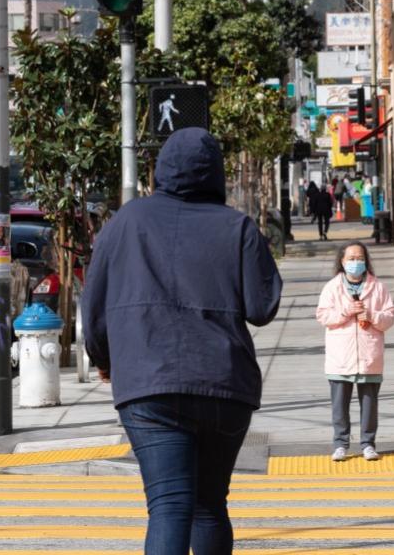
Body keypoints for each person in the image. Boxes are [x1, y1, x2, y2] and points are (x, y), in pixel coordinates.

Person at [81, 128, 283, 555]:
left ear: (161, 169)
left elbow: (94, 306)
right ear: (217, 173)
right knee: (209, 506)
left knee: (169, 507)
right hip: (224, 384)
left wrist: (105, 360)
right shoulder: (237, 226)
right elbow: (262, 307)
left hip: (148, 384)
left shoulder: (126, 222)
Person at [316, 241, 394, 462]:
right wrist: (345, 311)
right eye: (351, 259)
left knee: (370, 403)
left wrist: (372, 316)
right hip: (340, 357)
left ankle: (368, 444)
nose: (355, 263)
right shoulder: (332, 287)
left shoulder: (377, 287)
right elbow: (323, 316)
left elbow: (389, 318)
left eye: (359, 258)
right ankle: (340, 444)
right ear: (342, 262)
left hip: (369, 356)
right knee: (339, 404)